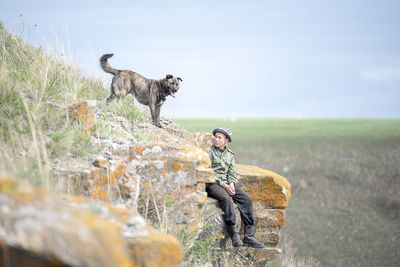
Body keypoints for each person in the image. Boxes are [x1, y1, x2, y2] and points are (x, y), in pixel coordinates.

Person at [206, 128, 265, 248]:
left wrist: (232, 183)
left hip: (228, 184)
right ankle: (234, 235)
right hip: (213, 184)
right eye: (215, 137)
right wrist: (224, 185)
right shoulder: (209, 152)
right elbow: (209, 172)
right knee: (226, 199)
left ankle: (249, 237)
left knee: (247, 200)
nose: (216, 139)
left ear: (226, 140)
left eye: (219, 137)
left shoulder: (230, 155)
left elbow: (232, 172)